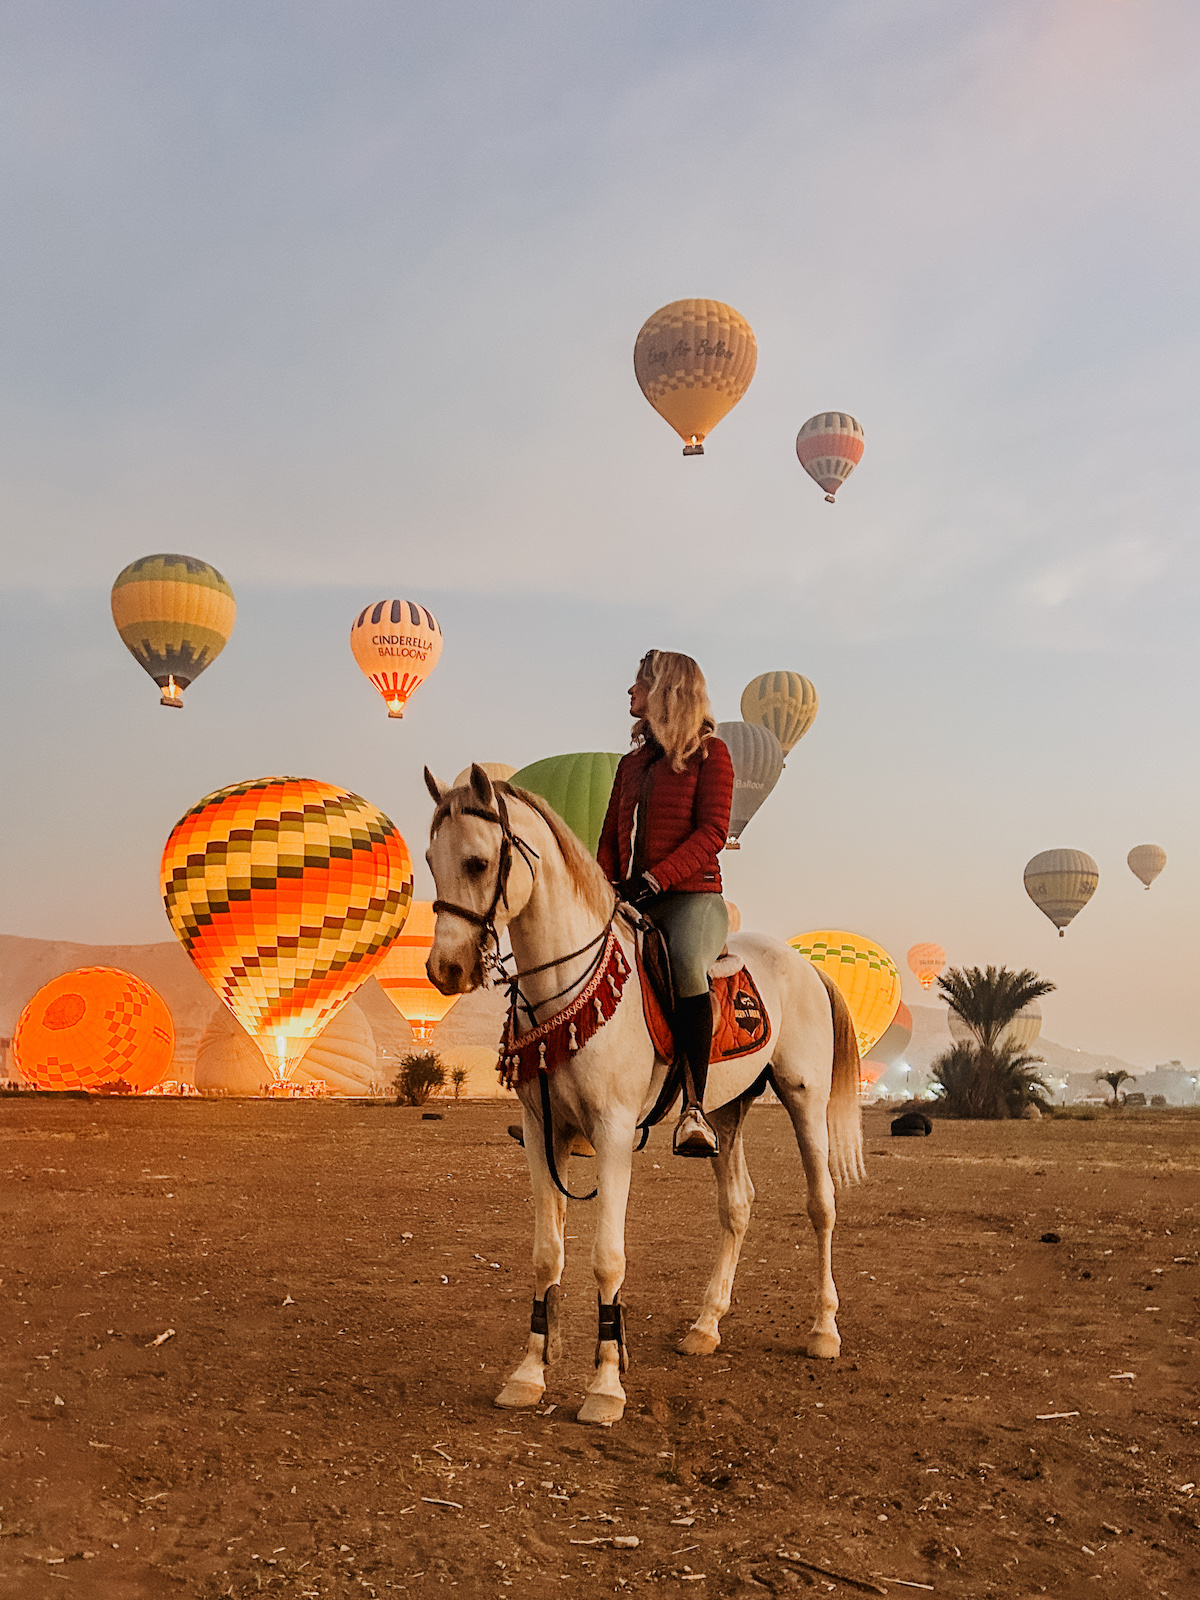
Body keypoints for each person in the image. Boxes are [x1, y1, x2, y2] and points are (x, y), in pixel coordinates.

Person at [597, 650, 733, 1157]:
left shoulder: (710, 755)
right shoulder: (631, 765)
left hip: (692, 900)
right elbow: (611, 837)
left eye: (640, 684)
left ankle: (694, 1110)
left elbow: (712, 832)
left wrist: (655, 880)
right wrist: (605, 889)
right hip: (633, 898)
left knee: (683, 966)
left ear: (668, 691)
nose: (630, 693)